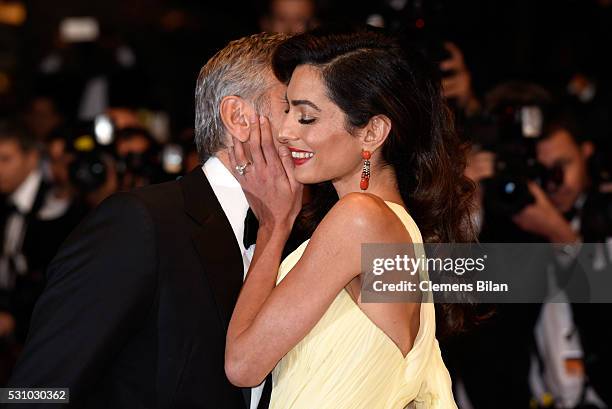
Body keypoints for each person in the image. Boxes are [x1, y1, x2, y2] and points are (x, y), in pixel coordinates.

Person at [7, 32, 289, 408]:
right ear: (239, 118)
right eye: (294, 108)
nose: (308, 129)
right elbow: (33, 393)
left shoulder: (300, 231)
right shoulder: (140, 224)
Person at [224, 29, 475, 408]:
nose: (285, 130)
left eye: (307, 117)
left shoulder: (358, 220)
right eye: (287, 110)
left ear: (372, 132)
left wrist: (274, 226)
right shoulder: (389, 224)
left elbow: (243, 364)